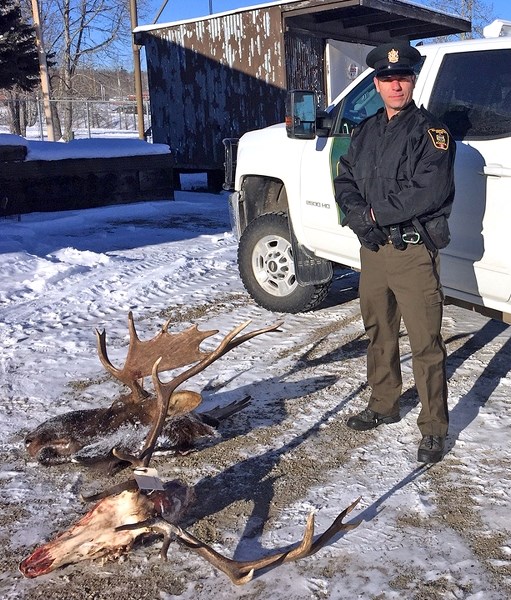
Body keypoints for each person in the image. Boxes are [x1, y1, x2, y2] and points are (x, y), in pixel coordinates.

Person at [334, 41, 456, 463]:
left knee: (425, 341)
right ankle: (384, 403)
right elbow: (345, 174)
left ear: (413, 80)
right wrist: (356, 214)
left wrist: (372, 212)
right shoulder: (366, 130)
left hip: (411, 250)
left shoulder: (431, 133)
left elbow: (428, 190)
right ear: (377, 83)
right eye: (387, 79)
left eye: (402, 77)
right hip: (373, 249)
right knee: (378, 331)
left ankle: (434, 427)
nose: (395, 85)